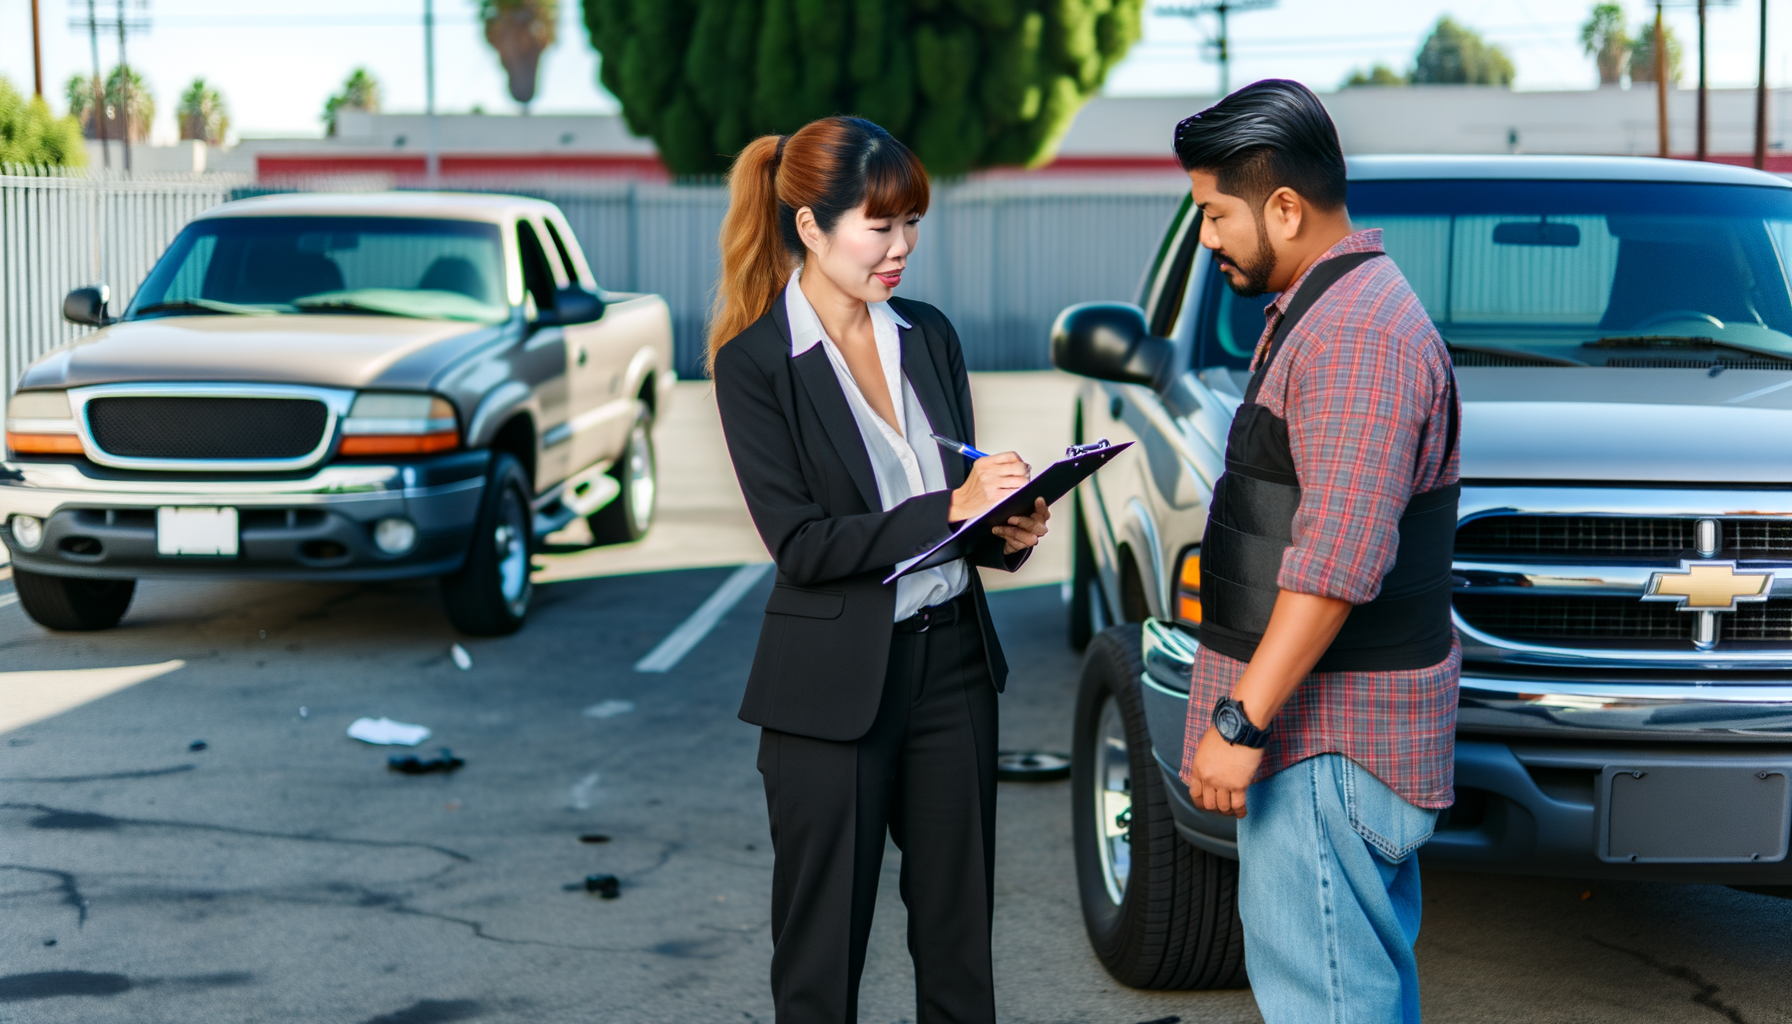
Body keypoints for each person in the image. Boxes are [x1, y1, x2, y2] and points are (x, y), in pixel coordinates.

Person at [709, 115, 1051, 1024]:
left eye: (911, 224)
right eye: (879, 225)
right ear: (810, 229)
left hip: (955, 672)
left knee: (959, 950)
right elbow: (805, 545)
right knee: (821, 967)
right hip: (829, 691)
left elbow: (951, 519)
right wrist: (950, 506)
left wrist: (1004, 528)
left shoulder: (928, 335)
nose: (901, 248)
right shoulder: (754, 364)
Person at [1173, 81, 1460, 1024]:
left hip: (1327, 747)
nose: (1207, 237)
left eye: (1216, 214)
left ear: (1284, 208)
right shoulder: (1327, 309)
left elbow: (1336, 563)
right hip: (1330, 741)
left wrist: (1240, 724)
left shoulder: (1355, 337)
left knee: (1330, 1005)